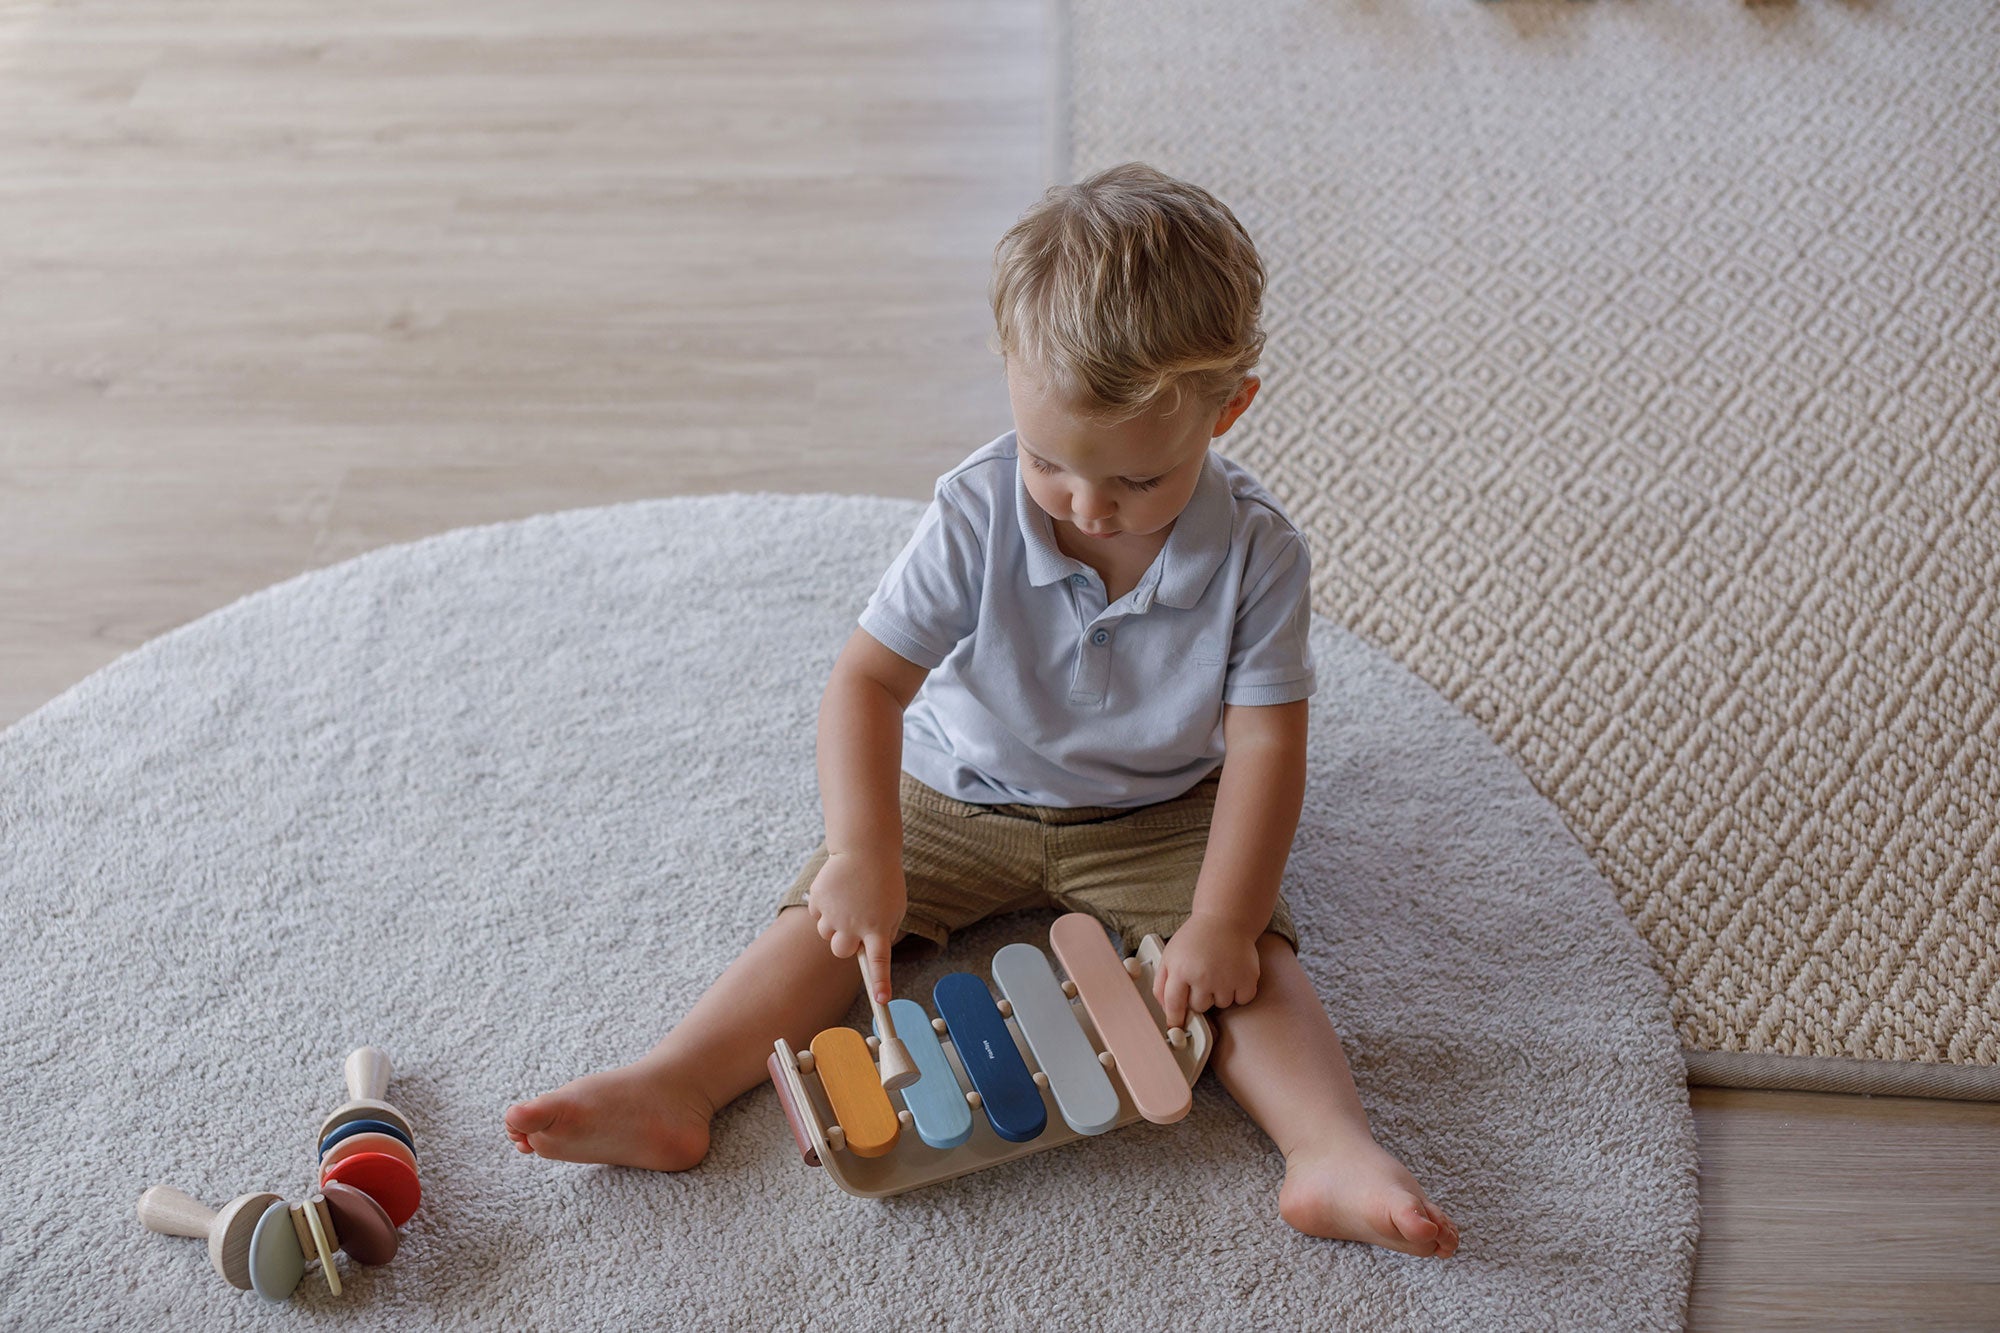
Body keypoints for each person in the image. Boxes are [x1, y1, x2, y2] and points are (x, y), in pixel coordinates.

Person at [505, 162, 1458, 1258]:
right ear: (1009, 374)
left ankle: (1327, 1149)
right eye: (1051, 462)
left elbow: (1264, 745)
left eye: (1137, 483)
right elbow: (866, 682)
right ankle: (674, 1084)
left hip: (1157, 812)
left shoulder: (1258, 554)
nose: (1087, 506)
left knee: (1249, 974)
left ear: (1228, 408)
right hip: (964, 787)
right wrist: (863, 851)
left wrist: (1223, 920)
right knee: (822, 922)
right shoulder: (974, 509)